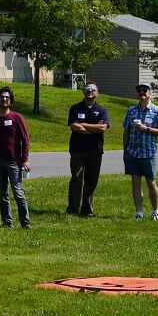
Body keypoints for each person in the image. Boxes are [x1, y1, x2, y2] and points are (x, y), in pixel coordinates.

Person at [0, 86, 31, 228]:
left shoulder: (17, 117)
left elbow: (25, 139)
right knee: (2, 194)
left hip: (14, 161)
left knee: (18, 192)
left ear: (10, 101)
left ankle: (25, 222)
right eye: (1, 97)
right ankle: (7, 222)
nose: (4, 99)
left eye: (7, 97)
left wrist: (24, 159)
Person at [123, 83, 158, 221]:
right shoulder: (131, 110)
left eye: (144, 90)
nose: (141, 93)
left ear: (150, 93)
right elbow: (126, 131)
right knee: (136, 182)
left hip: (148, 153)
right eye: (139, 91)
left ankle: (155, 211)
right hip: (133, 152)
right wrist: (125, 150)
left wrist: (147, 129)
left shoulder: (157, 111)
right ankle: (139, 212)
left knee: (151, 183)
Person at [66, 82, 110, 217]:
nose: (90, 91)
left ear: (97, 93)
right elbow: (74, 126)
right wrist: (93, 128)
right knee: (76, 178)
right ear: (83, 92)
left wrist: (84, 126)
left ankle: (87, 210)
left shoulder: (101, 110)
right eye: (87, 89)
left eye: (93, 90)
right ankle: (73, 209)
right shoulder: (75, 108)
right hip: (78, 149)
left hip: (95, 150)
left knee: (92, 180)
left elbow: (103, 128)